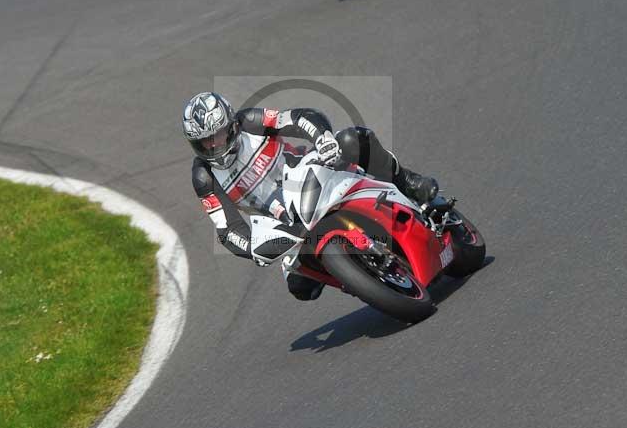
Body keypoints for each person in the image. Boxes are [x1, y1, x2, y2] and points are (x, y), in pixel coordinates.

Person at [183, 92, 438, 301]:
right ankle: (362, 274)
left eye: (216, 136)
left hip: (314, 176)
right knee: (301, 286)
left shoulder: (250, 121)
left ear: (231, 126)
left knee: (352, 140)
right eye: (205, 142)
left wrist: (322, 138)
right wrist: (251, 248)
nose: (213, 146)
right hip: (289, 224)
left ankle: (408, 183)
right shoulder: (204, 177)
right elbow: (227, 229)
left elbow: (298, 118)